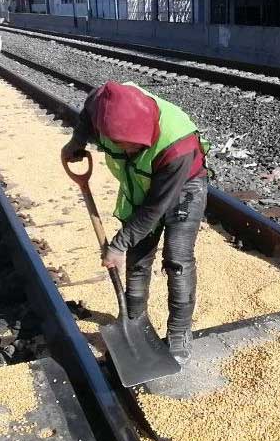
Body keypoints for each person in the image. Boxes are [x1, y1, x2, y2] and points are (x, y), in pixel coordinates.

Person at [61, 81, 208, 365]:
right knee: (138, 258)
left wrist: (117, 244)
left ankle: (179, 332)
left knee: (177, 258)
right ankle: (133, 319)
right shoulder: (100, 104)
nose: (129, 150)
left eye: (135, 146)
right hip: (141, 183)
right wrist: (76, 143)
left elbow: (154, 210)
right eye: (122, 145)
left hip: (184, 186)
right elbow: (86, 116)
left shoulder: (179, 146)